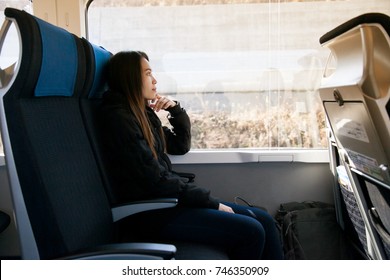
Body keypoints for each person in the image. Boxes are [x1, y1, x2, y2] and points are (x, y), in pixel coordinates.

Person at [100, 51, 283, 260]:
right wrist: (210, 202)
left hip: (167, 202)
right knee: (252, 231)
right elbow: (155, 180)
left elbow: (180, 145)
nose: (155, 80)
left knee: (265, 221)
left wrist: (176, 111)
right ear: (130, 78)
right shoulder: (119, 119)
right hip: (151, 212)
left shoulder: (141, 113)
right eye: (148, 73)